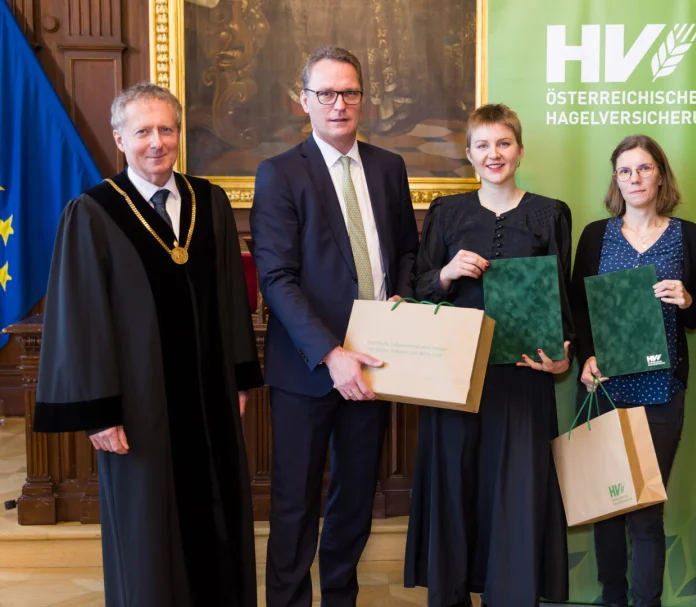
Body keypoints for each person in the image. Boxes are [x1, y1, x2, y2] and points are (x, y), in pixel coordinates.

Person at [32, 82, 263, 607]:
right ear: (120, 138)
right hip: (138, 407)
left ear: (179, 134)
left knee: (218, 514)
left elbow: (231, 296)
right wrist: (99, 411)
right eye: (142, 131)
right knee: (147, 530)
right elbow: (80, 318)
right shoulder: (93, 212)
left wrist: (238, 377)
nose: (156, 142)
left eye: (166, 129)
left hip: (209, 399)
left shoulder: (209, 202)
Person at [250, 46, 419, 606]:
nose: (338, 103)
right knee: (295, 504)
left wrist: (403, 300)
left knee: (355, 500)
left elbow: (407, 253)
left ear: (363, 99)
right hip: (309, 371)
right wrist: (330, 353)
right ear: (304, 101)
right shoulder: (279, 173)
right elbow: (276, 278)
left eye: (349, 92)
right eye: (325, 93)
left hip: (375, 364)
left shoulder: (389, 168)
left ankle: (340, 598)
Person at [403, 103, 571, 607]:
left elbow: (561, 298)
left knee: (517, 493)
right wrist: (447, 273)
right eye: (483, 145)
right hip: (454, 378)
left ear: (520, 150)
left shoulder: (550, 213)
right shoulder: (446, 212)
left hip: (522, 377)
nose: (493, 154)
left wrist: (562, 355)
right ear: (469, 154)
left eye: (503, 143)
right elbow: (418, 290)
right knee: (455, 488)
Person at [570, 134, 696, 607]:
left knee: (646, 511)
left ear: (660, 175)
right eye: (625, 170)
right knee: (608, 506)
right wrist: (586, 357)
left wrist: (686, 299)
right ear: (616, 179)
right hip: (604, 386)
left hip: (661, 390)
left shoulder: (688, 235)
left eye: (645, 168)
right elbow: (578, 308)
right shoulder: (595, 235)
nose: (635, 178)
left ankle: (645, 603)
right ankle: (613, 598)